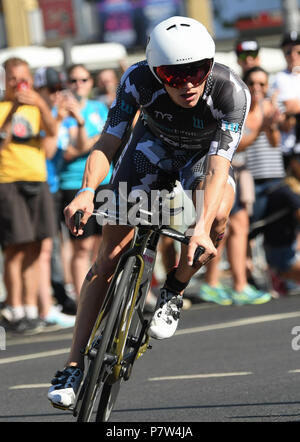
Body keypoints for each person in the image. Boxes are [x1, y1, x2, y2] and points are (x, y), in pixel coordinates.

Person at [48, 16, 250, 409]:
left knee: (219, 217)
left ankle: (174, 289)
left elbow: (217, 167)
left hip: (202, 159)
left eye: (197, 72)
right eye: (174, 77)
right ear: (157, 73)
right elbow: (109, 141)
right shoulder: (136, 79)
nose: (188, 83)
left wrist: (201, 227)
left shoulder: (231, 92)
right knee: (107, 257)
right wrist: (87, 191)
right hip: (151, 150)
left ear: (210, 65)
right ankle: (72, 366)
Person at [198, 39, 270, 305]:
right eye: (244, 53)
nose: (249, 58)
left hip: (237, 169)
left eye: (254, 53)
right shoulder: (232, 87)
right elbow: (238, 139)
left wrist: (268, 125)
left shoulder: (256, 98)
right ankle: (214, 282)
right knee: (220, 223)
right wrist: (263, 126)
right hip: (220, 166)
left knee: (235, 225)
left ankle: (236, 284)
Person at [0, 57, 57, 334]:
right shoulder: (2, 107)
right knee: (15, 247)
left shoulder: (37, 106)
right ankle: (16, 308)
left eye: (23, 77)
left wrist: (41, 105)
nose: (18, 83)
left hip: (37, 178)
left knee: (36, 246)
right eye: (12, 78)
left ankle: (33, 309)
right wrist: (13, 110)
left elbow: (51, 138)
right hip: (8, 180)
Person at [59, 64, 111, 299]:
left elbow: (111, 139)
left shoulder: (99, 107)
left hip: (105, 179)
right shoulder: (61, 113)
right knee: (82, 245)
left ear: (91, 83)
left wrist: (90, 141)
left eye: (83, 79)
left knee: (104, 244)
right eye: (73, 80)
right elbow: (72, 151)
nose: (78, 85)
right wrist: (86, 129)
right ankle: (83, 299)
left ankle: (101, 294)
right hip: (74, 183)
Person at [34, 66, 77, 327]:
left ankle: (60, 295)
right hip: (43, 184)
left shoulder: (59, 113)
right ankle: (44, 305)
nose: (56, 94)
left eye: (60, 89)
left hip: (57, 184)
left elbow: (72, 147)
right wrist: (58, 119)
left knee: (62, 244)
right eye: (51, 89)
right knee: (44, 248)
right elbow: (49, 151)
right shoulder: (43, 114)